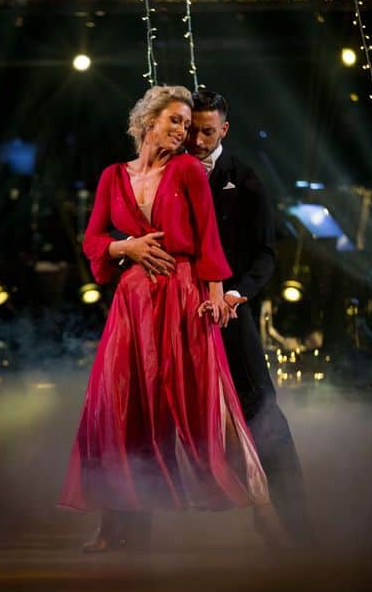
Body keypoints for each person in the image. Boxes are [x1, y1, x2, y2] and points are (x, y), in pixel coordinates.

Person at [59, 86, 273, 551]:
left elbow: (208, 239)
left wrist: (215, 296)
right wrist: (125, 246)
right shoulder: (113, 176)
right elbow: (93, 240)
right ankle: (114, 526)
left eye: (187, 123)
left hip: (182, 294)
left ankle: (263, 509)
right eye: (175, 120)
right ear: (147, 120)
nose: (183, 131)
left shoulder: (188, 170)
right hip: (133, 303)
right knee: (121, 407)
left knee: (206, 404)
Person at [109, 90, 313, 548]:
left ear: (224, 129)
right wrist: (126, 250)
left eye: (206, 131)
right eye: (190, 131)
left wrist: (235, 294)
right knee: (142, 412)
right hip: (167, 311)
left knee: (262, 413)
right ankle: (128, 530)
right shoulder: (164, 170)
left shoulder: (244, 178)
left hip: (228, 314)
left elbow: (265, 253)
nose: (197, 141)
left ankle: (297, 527)